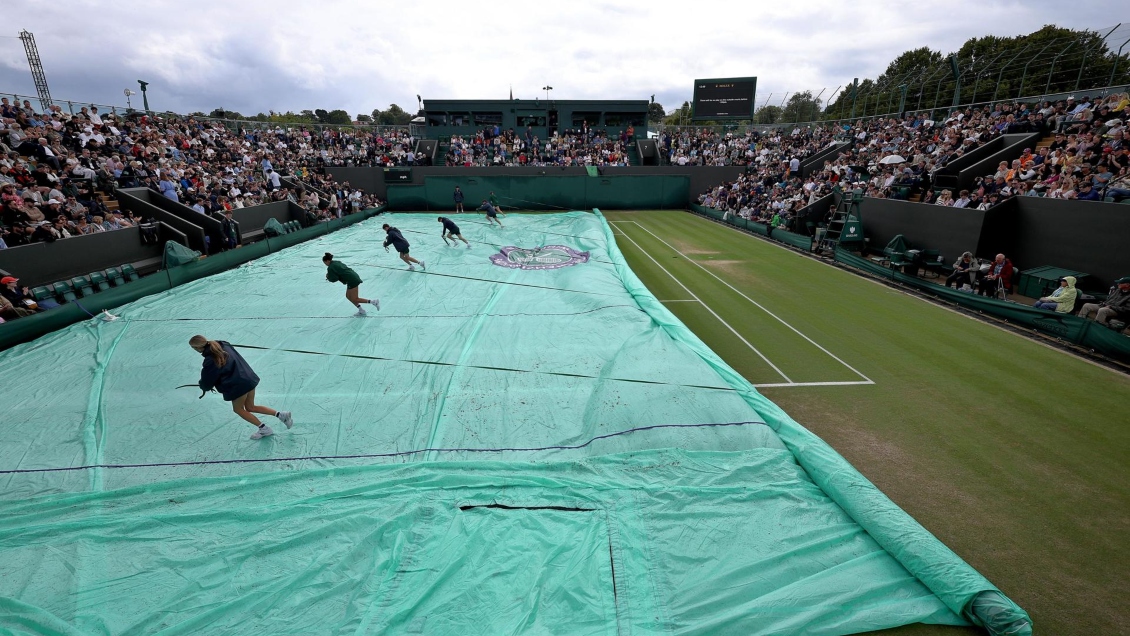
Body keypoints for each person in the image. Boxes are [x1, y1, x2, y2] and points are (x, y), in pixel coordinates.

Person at [189, 335, 293, 440]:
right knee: (250, 407)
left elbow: (207, 380)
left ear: (198, 348)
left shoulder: (210, 360)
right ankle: (281, 415)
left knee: (238, 409)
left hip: (238, 385)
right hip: (248, 378)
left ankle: (264, 429)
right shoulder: (223, 344)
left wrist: (203, 386)